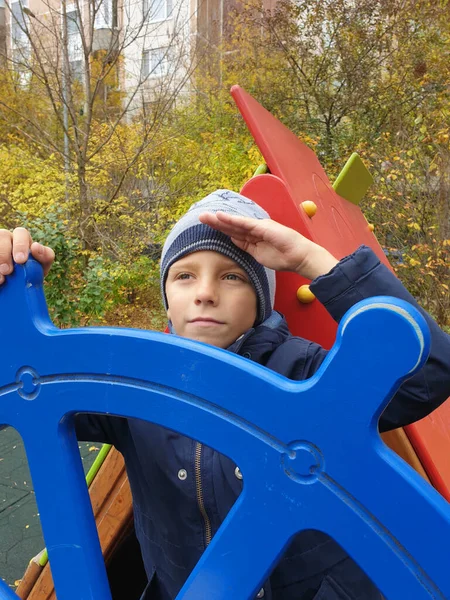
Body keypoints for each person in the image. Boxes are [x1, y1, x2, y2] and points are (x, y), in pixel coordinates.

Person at [1, 189, 449, 600]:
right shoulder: (132, 381)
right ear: (167, 296)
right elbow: (19, 392)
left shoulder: (304, 373)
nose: (205, 294)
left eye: (232, 277)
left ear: (261, 297)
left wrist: (311, 259)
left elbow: (427, 374)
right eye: (184, 276)